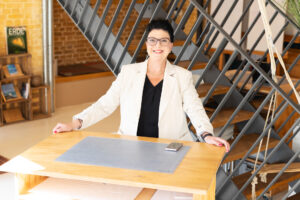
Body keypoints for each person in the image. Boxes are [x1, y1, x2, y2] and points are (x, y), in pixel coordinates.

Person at [53, 19, 230, 152]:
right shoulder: (128, 72)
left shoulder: (182, 76)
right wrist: (74, 123)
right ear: (146, 44)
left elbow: (195, 108)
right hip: (132, 146)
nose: (157, 45)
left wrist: (206, 134)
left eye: (163, 41)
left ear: (171, 45)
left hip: (169, 147)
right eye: (152, 40)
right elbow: (105, 104)